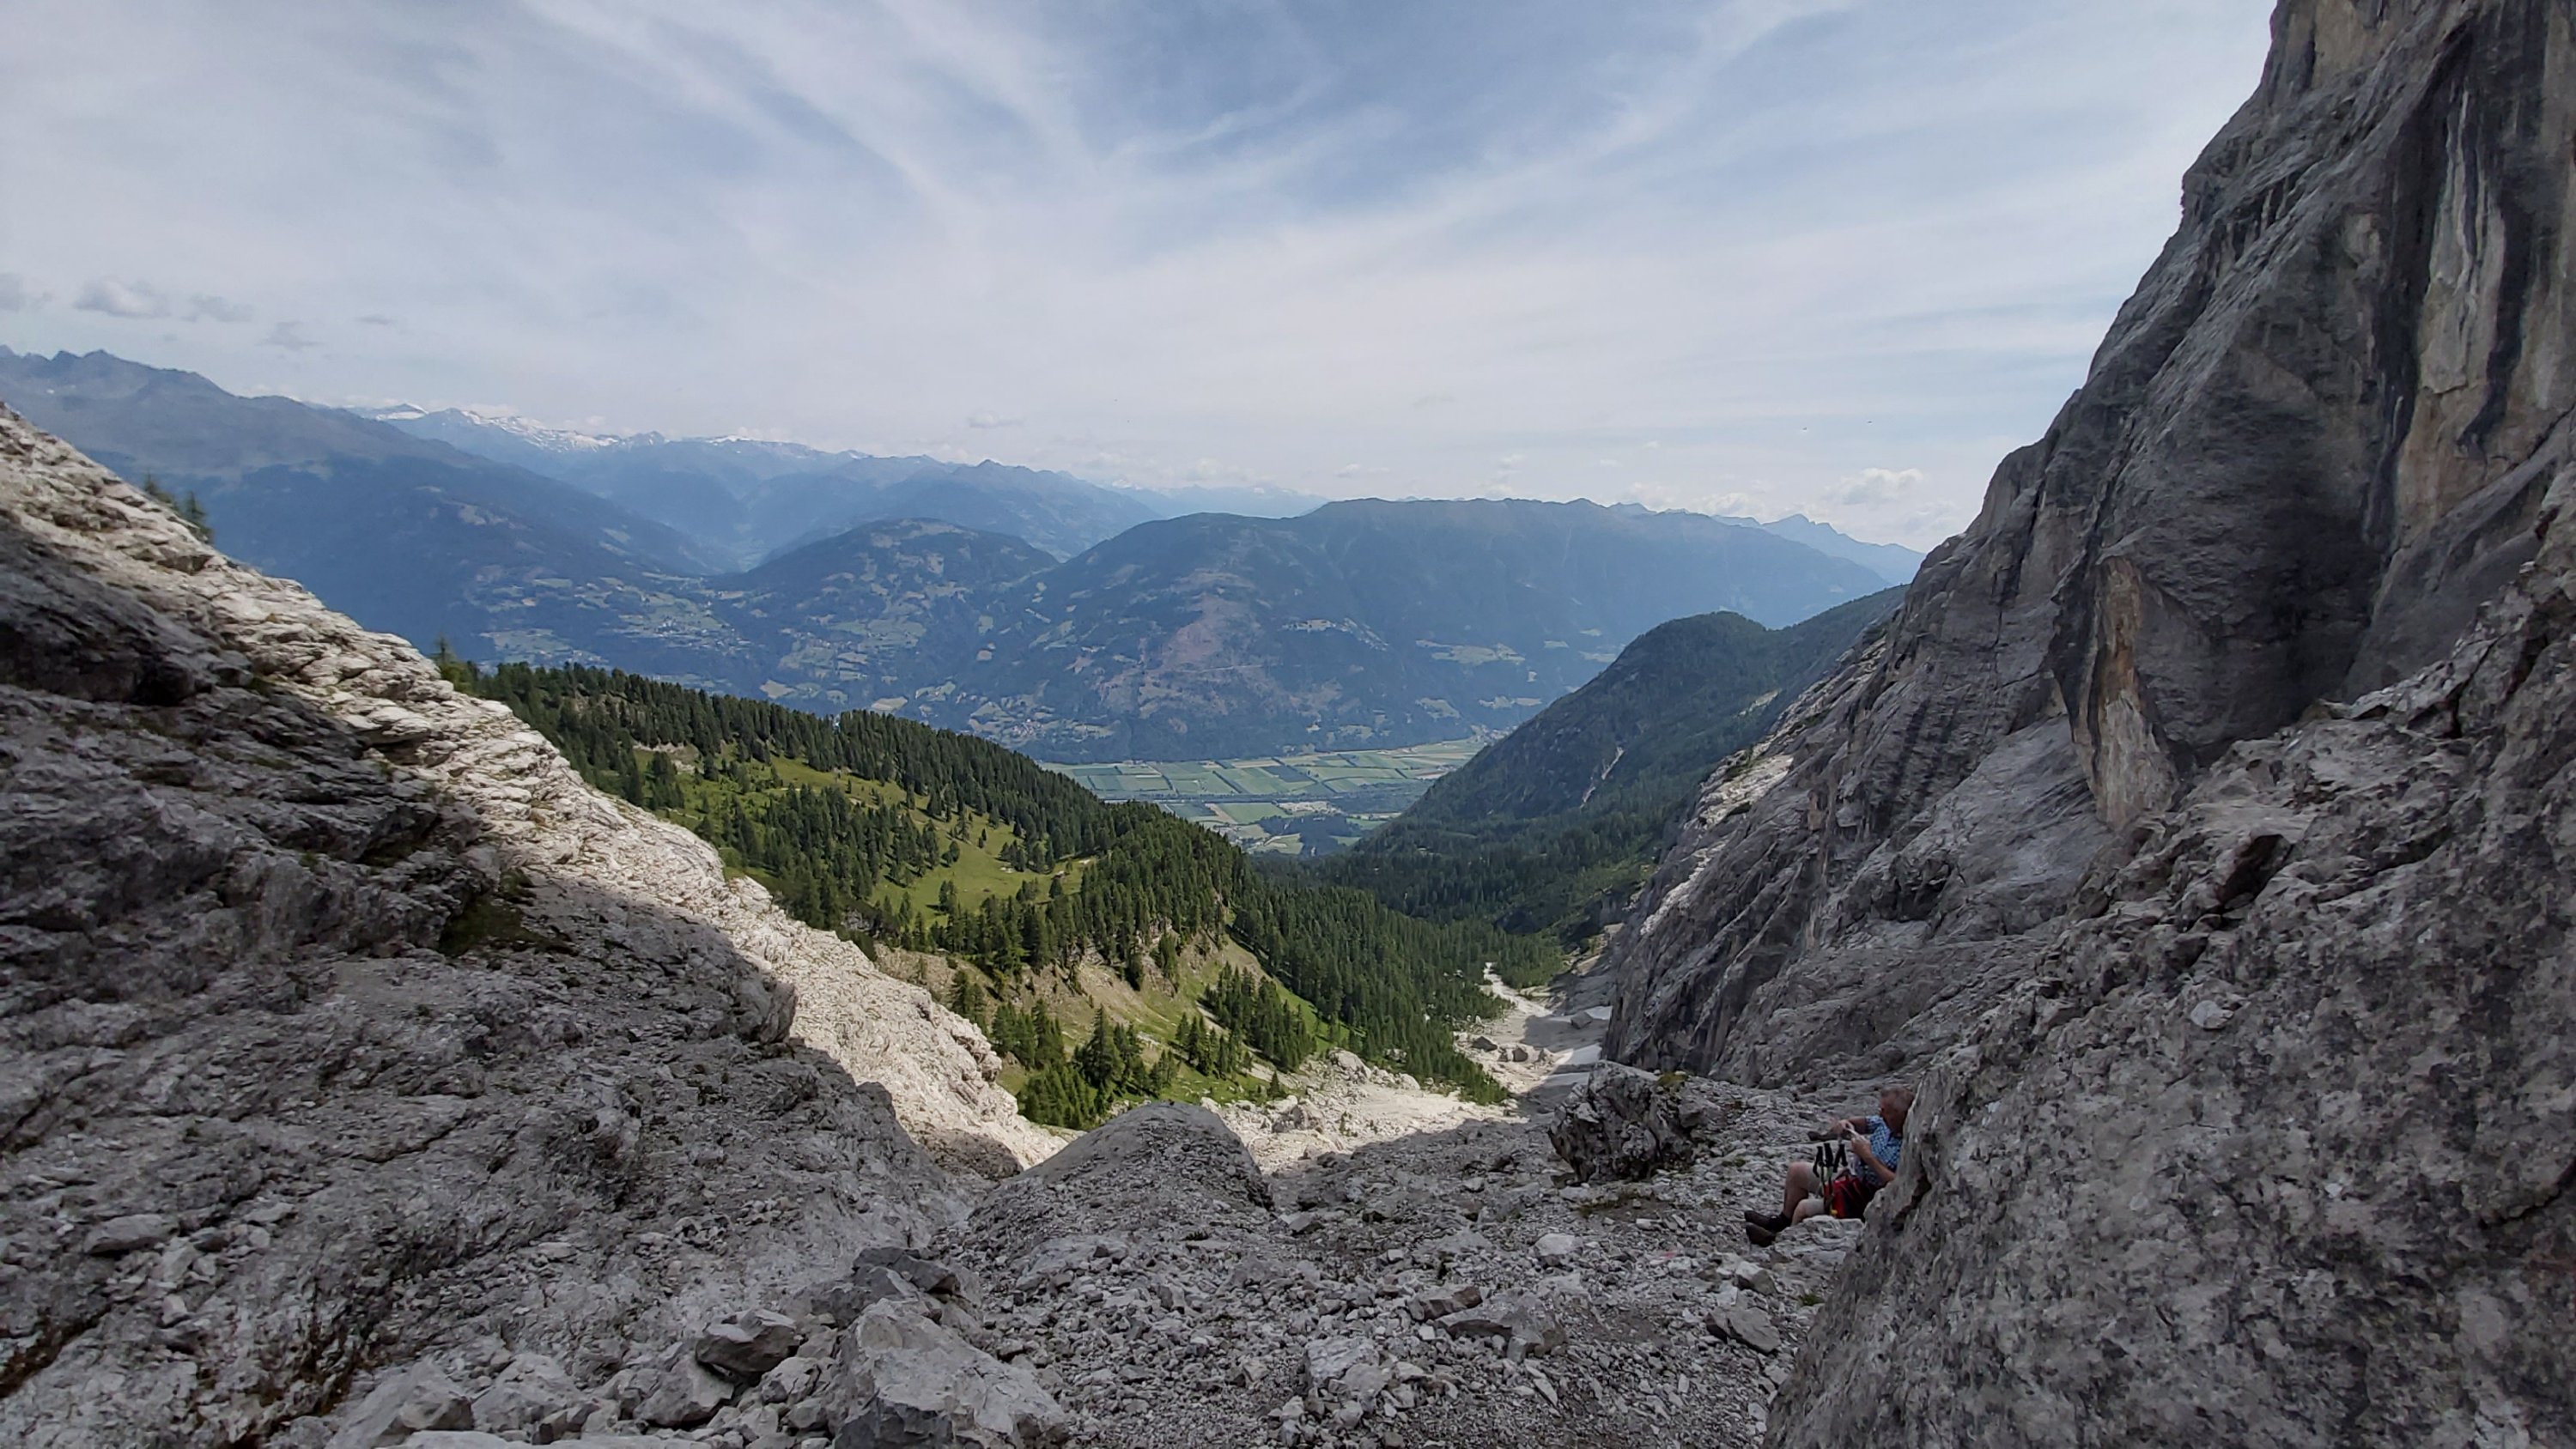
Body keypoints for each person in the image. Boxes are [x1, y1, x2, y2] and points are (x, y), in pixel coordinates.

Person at [1743, 1084, 1911, 1245]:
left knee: (1803, 1208)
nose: (1881, 1114)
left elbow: (1898, 1183)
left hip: (1863, 1197)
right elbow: (1866, 1123)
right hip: (1850, 1178)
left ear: (1900, 1114)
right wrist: (1848, 1124)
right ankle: (1780, 1223)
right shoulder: (1885, 1123)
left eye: (1886, 1111)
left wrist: (1868, 1156)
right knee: (1796, 1171)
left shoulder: (1908, 1143)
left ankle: (1779, 1241)